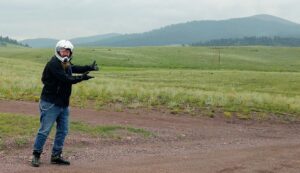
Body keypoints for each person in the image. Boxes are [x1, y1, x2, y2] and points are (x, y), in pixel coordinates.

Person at [31, 40, 99, 167]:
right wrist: (81, 78)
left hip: (63, 104)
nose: (65, 53)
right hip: (50, 103)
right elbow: (66, 79)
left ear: (70, 52)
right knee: (44, 130)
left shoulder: (65, 62)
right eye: (63, 50)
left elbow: (73, 68)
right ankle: (36, 155)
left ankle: (56, 156)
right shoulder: (53, 64)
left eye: (67, 51)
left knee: (63, 130)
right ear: (58, 51)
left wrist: (89, 67)